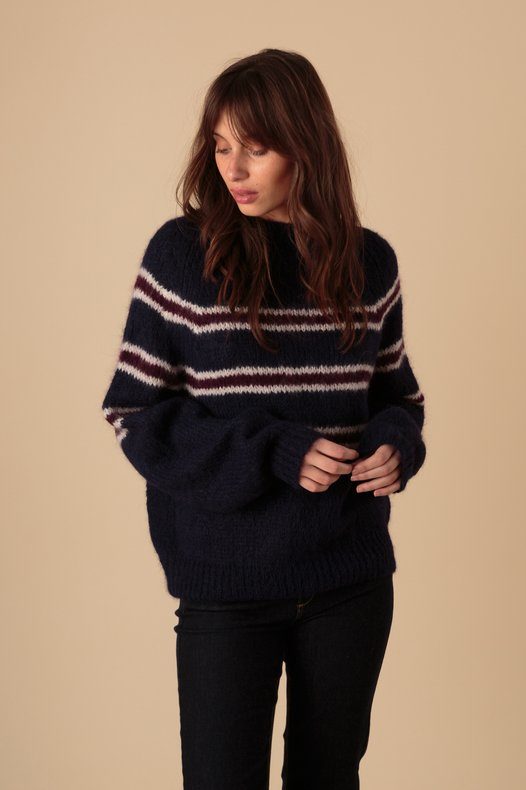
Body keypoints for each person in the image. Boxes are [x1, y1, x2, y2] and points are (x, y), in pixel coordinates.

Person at [101, 48, 427, 790]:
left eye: (255, 147)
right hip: (226, 584)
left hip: (349, 580)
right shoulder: (183, 255)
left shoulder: (369, 263)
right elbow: (134, 411)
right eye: (221, 147)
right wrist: (272, 449)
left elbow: (397, 397)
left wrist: (394, 446)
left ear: (305, 145)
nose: (234, 169)